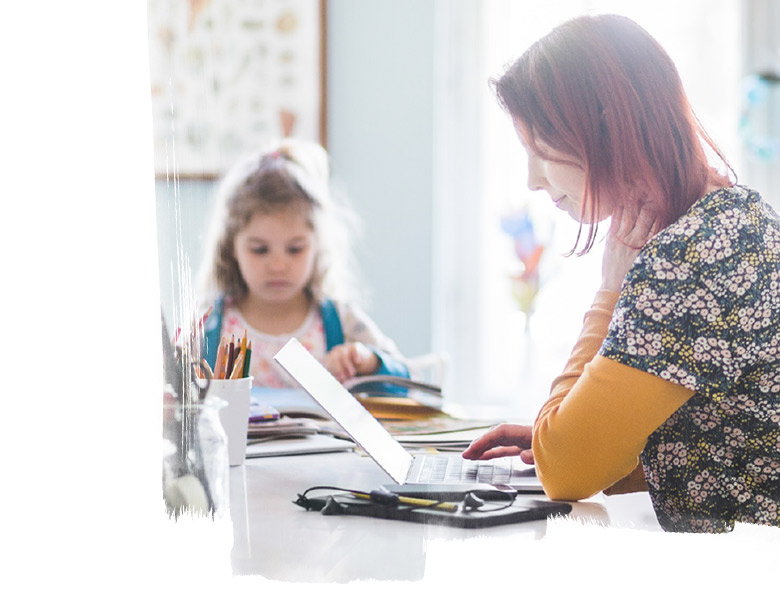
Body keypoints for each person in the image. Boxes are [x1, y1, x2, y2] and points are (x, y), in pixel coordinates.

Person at [462, 14, 780, 533]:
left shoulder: (692, 256)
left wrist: (609, 292)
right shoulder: (729, 219)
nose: (532, 179)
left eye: (540, 150)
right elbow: (721, 436)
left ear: (609, 126)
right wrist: (580, 430)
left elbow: (566, 472)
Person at [195, 138, 410, 387]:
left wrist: (367, 361)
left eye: (295, 249)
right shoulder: (207, 322)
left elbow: (408, 381)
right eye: (259, 249)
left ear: (317, 245)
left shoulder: (341, 319)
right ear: (232, 246)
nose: (278, 266)